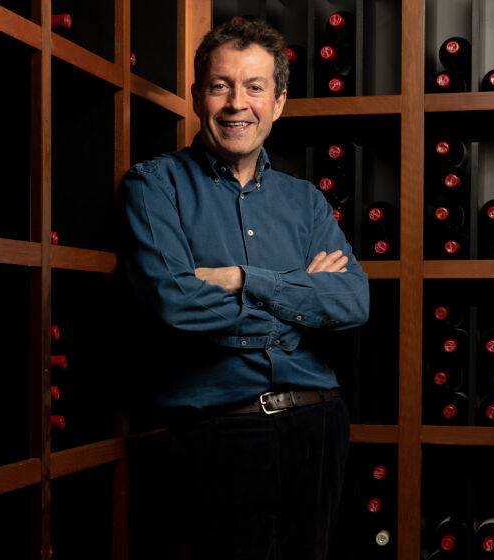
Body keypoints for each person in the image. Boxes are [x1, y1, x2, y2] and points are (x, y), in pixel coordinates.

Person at [119, 17, 370, 559]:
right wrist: (302, 299)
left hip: (320, 425)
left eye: (255, 87)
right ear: (196, 97)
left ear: (278, 102)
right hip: (222, 434)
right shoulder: (154, 185)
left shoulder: (305, 200)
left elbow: (353, 300)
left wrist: (240, 281)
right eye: (221, 86)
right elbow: (174, 304)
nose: (238, 103)